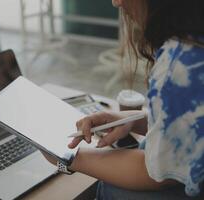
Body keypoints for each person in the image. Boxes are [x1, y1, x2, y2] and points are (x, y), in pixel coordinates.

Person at [42, 0, 204, 199]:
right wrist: (132, 119)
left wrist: (68, 158)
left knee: (113, 189)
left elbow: (158, 174)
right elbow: (192, 127)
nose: (116, 2)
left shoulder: (183, 65)